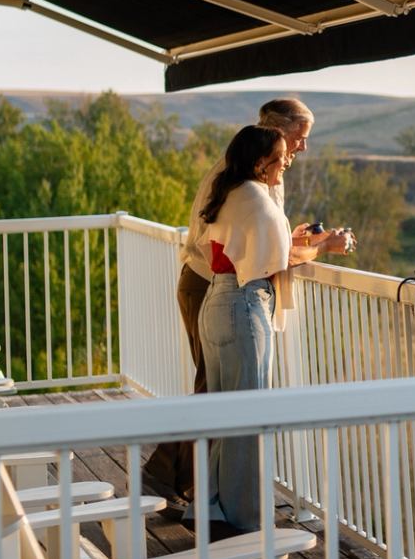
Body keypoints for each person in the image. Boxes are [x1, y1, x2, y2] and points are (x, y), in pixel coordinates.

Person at [142, 97, 313, 507]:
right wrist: (321, 246)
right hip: (214, 285)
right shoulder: (247, 177)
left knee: (216, 390)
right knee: (216, 392)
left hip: (213, 282)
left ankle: (194, 487)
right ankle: (167, 478)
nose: (302, 148)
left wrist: (297, 239)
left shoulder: (249, 171)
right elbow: (268, 252)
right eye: (300, 138)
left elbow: (257, 239)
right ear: (276, 132)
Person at [193, 124, 352, 530]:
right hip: (244, 305)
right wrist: (323, 245)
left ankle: (210, 506)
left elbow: (253, 248)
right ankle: (247, 521)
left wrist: (292, 237)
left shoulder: (232, 193)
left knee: (225, 416)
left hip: (216, 302)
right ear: (261, 162)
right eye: (280, 157)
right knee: (249, 417)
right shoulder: (258, 201)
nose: (286, 164)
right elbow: (276, 261)